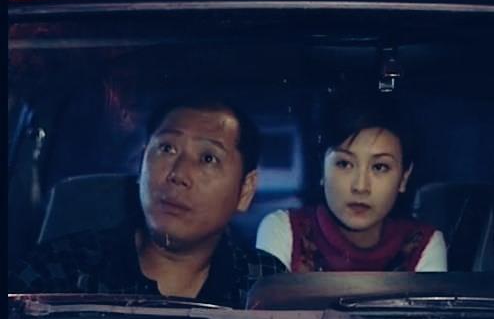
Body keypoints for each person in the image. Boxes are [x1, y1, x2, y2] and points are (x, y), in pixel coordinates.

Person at [9, 93, 287, 307]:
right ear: (142, 162)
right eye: (167, 148)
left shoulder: (265, 283)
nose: (178, 174)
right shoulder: (57, 273)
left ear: (245, 190)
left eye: (207, 158)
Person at [256, 92, 447, 272]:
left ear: (404, 177)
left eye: (380, 167)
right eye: (344, 164)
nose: (360, 187)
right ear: (322, 169)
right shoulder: (284, 231)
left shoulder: (422, 245)